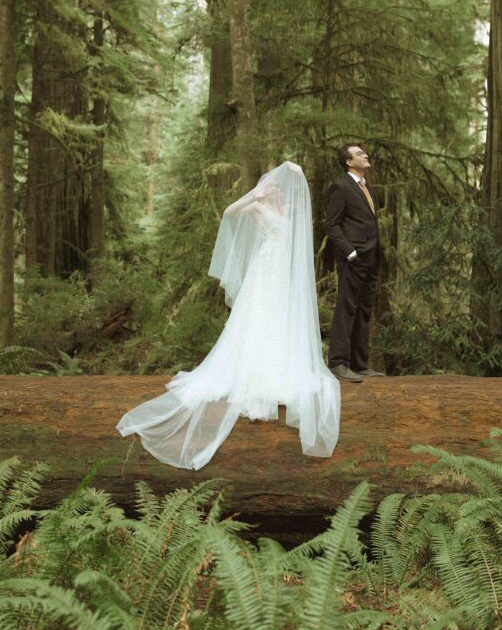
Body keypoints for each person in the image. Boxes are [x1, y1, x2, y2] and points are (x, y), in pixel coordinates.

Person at [117, 161, 340, 469]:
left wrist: (297, 174)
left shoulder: (290, 211)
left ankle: (278, 368)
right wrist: (254, 196)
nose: (274, 188)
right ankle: (251, 374)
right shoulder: (259, 204)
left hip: (279, 277)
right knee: (255, 321)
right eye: (271, 185)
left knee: (278, 324)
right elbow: (229, 213)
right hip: (262, 272)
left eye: (276, 186)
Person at [324, 144, 385, 382]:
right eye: (359, 154)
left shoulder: (367, 186)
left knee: (364, 310)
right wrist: (350, 252)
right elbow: (332, 225)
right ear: (348, 162)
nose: (365, 155)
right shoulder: (341, 187)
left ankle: (359, 364)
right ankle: (338, 363)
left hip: (371, 257)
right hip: (353, 258)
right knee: (346, 308)